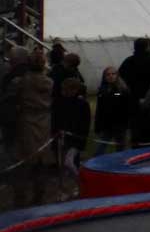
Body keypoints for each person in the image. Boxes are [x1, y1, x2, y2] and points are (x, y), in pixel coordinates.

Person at [11, 50, 55, 206]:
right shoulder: (49, 82)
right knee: (41, 162)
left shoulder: (21, 82)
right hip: (44, 122)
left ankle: (20, 198)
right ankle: (39, 196)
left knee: (23, 162)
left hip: (26, 122)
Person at [118, 38, 150, 145]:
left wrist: (127, 91)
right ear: (148, 46)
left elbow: (120, 79)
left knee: (136, 127)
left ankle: (136, 146)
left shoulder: (128, 61)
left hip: (134, 99)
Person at [52, 76, 91, 179]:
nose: (63, 91)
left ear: (75, 90)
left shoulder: (82, 104)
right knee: (63, 163)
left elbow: (85, 123)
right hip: (61, 137)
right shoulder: (58, 102)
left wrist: (81, 139)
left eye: (66, 89)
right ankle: (69, 184)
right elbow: (55, 119)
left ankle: (81, 181)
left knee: (69, 162)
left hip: (76, 139)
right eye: (63, 89)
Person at [93, 66, 131, 155]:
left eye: (113, 74)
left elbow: (127, 107)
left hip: (120, 124)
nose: (111, 76)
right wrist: (97, 125)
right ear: (104, 77)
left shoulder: (123, 90)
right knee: (101, 147)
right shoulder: (102, 90)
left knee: (120, 149)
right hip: (106, 124)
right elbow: (100, 109)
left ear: (117, 75)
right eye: (108, 74)